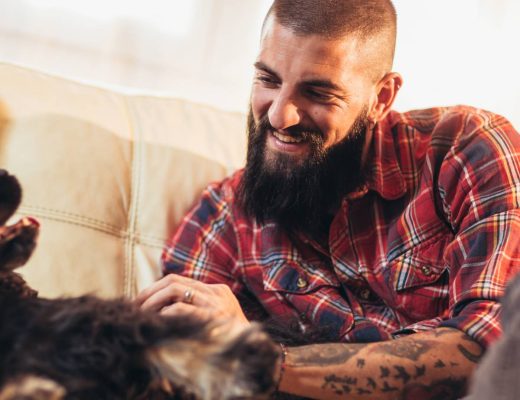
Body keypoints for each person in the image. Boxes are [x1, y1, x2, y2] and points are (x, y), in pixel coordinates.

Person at [137, 0, 520, 398]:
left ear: (381, 98)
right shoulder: (222, 220)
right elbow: (185, 368)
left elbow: (492, 346)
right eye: (268, 81)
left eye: (318, 92)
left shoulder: (466, 150)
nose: (279, 116)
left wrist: (260, 358)